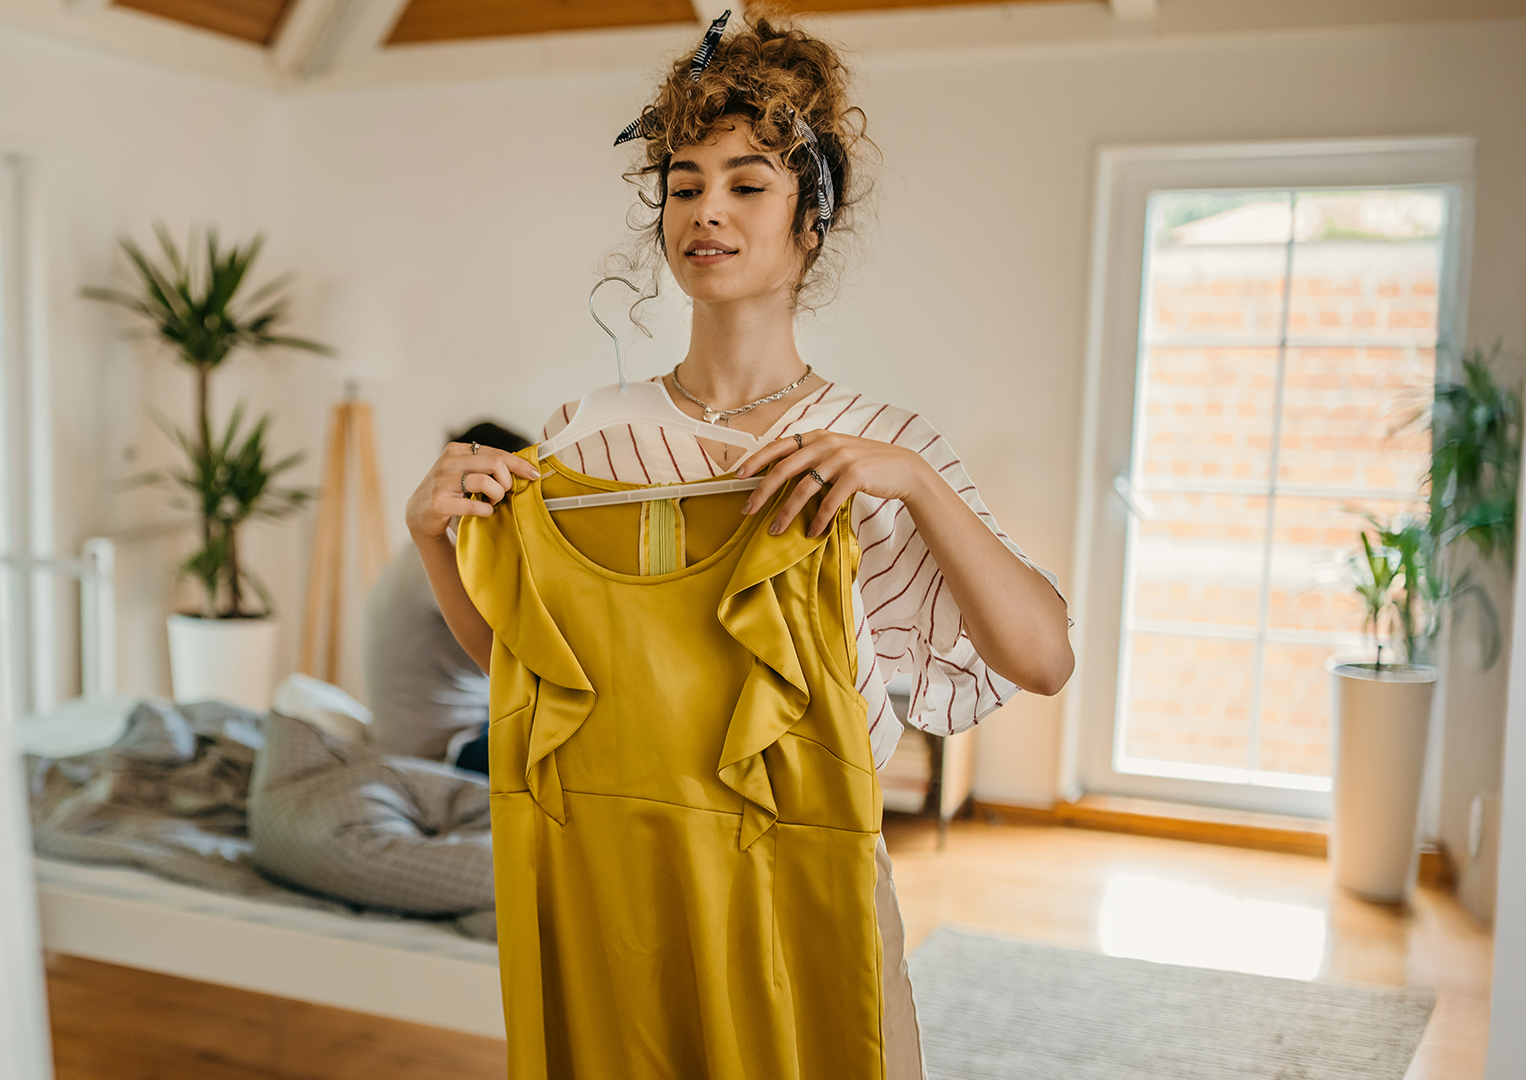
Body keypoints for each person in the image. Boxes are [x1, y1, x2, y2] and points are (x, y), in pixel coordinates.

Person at [401, 14, 1072, 1080]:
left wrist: (916, 484)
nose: (706, 210)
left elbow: (1043, 658)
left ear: (812, 220)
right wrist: (435, 542)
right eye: (683, 184)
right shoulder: (591, 434)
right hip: (622, 884)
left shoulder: (880, 446)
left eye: (746, 184)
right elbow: (535, 674)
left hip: (807, 885)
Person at [362, 421, 530, 773]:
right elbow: (518, 661)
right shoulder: (445, 561)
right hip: (444, 748)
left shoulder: (418, 554)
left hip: (424, 734)